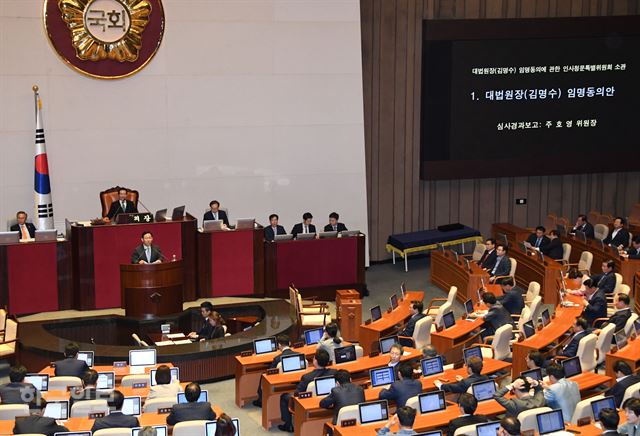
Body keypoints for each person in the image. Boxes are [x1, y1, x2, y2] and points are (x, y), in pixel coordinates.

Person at [278, 349, 336, 432]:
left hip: (310, 405)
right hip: (329, 401)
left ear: (315, 361)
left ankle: (288, 425)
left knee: (284, 396)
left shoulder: (307, 377)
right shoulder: (334, 372)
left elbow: (296, 394)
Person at [253, 335, 294, 407]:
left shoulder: (277, 359)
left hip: (281, 381)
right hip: (293, 381)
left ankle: (261, 400)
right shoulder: (299, 355)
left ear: (279, 345)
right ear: (290, 343)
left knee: (264, 375)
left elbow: (270, 373)